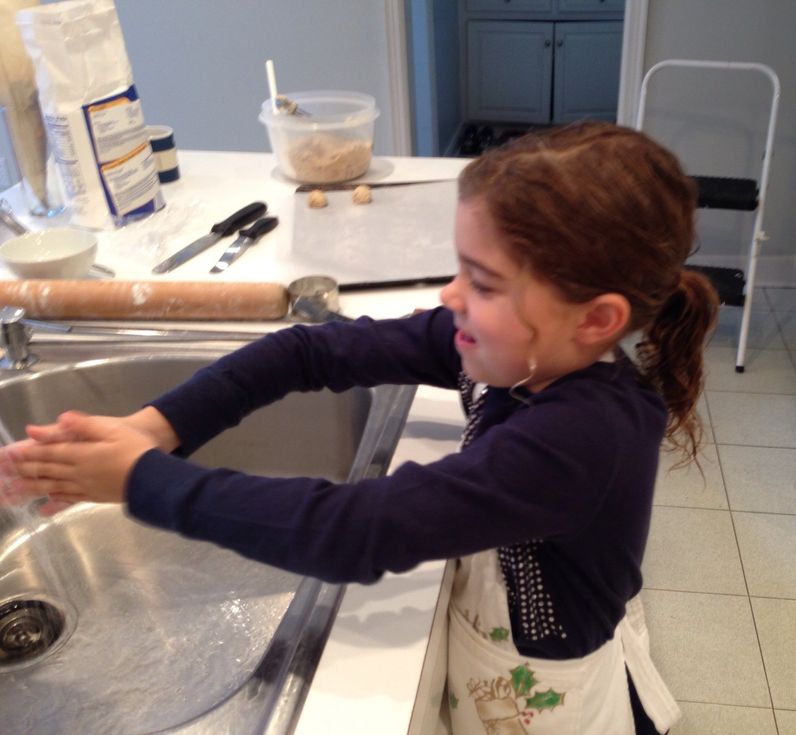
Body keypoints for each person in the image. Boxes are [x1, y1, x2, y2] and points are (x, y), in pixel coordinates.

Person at [0, 121, 718, 735]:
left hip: (545, 685)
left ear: (596, 320)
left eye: (485, 282)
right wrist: (159, 425)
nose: (450, 296)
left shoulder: (580, 439)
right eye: (459, 269)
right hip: (500, 628)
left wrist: (140, 481)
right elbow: (307, 348)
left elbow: (354, 529)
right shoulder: (513, 349)